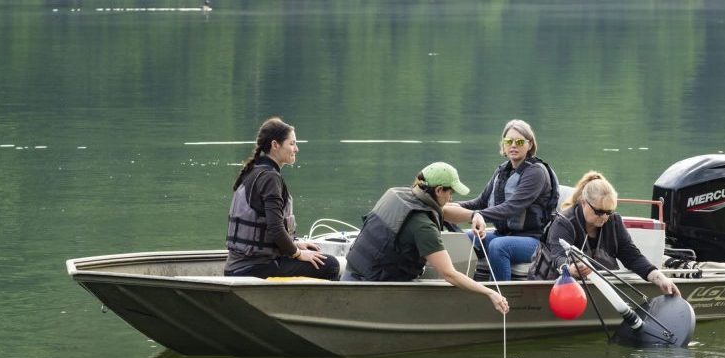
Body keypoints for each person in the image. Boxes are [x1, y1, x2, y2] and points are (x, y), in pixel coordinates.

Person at [343, 162, 510, 315]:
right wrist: (490, 293)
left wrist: (475, 215)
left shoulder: (398, 194)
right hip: (370, 290)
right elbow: (449, 274)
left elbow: (442, 211)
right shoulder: (423, 227)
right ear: (438, 190)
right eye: (450, 192)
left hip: (350, 276)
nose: (451, 198)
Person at [527, 171, 681, 297]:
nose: (604, 217)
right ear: (583, 202)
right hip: (554, 287)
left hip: (595, 289)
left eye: (609, 212)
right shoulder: (563, 223)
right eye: (599, 212)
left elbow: (632, 257)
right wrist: (570, 268)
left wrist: (660, 279)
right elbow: (558, 258)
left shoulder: (613, 222)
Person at [224, 117, 340, 280]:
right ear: (275, 145)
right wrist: (298, 253)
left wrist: (295, 244)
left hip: (238, 266)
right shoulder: (270, 178)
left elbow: (271, 230)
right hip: (255, 267)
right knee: (331, 265)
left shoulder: (254, 171)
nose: (296, 149)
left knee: (314, 254)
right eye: (292, 144)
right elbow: (276, 229)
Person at [443, 119, 558, 282]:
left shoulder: (536, 173)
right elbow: (481, 202)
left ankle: (501, 298)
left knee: (498, 247)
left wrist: (474, 215)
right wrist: (447, 206)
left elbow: (511, 208)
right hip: (502, 234)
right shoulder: (503, 170)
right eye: (508, 141)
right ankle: (461, 287)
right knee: (462, 240)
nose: (513, 145)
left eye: (519, 141)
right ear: (503, 145)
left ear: (530, 144)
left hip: (535, 240)